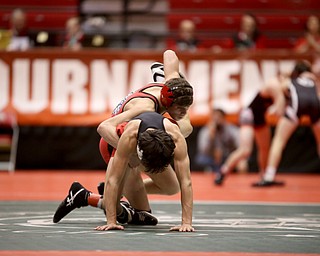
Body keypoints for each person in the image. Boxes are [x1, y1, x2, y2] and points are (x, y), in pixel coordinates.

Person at [53, 112, 195, 232]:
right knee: (139, 216)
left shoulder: (176, 137)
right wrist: (111, 221)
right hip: (115, 145)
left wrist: (186, 222)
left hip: (149, 148)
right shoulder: (130, 137)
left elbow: (186, 182)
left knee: (172, 186)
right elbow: (113, 179)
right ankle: (85, 196)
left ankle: (117, 195)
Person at [255, 60, 320, 186]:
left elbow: (283, 90)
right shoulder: (314, 80)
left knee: (279, 140)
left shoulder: (290, 80)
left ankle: (269, 175)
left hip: (297, 105)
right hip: (316, 106)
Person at [214, 73, 287, 186]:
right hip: (249, 114)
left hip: (260, 117)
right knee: (245, 150)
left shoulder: (281, 87)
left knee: (265, 149)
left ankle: (265, 176)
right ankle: (223, 171)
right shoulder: (274, 84)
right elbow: (279, 108)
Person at [195, 108, 248, 173]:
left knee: (242, 164)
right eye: (214, 118)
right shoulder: (205, 131)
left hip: (227, 157)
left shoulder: (231, 130)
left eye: (219, 117)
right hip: (210, 158)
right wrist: (211, 137)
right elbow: (203, 150)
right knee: (201, 160)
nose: (217, 120)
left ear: (224, 118)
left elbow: (241, 146)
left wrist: (233, 156)